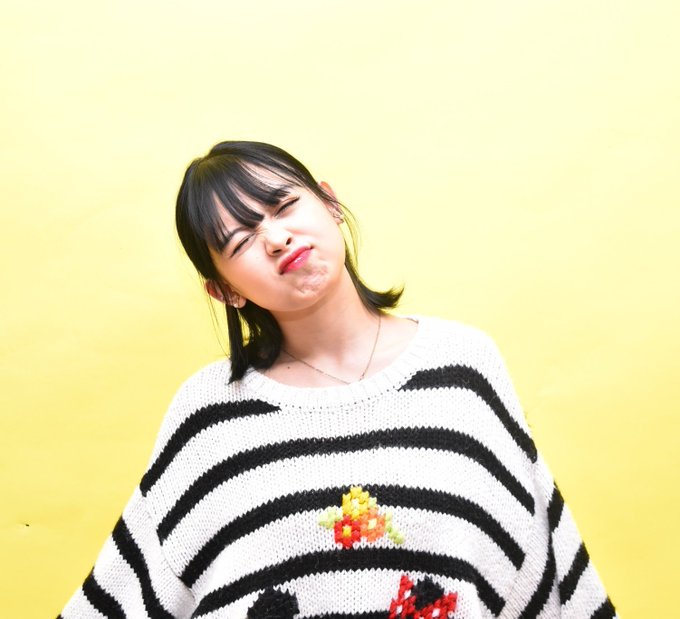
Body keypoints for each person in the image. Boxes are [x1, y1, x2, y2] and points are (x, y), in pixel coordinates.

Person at [59, 141, 616, 618]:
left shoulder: (463, 366)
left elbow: (539, 563)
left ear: (329, 203)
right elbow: (132, 589)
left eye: (284, 206)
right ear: (224, 290)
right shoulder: (208, 413)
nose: (276, 238)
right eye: (241, 241)